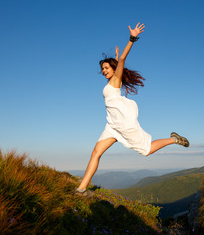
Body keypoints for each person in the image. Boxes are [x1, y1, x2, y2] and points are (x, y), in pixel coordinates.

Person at [74, 23, 189, 196]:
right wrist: (116, 58)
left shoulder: (115, 81)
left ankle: (174, 140)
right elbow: (118, 62)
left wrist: (131, 40)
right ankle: (81, 189)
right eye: (102, 69)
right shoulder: (110, 83)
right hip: (112, 125)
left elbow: (121, 61)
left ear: (114, 70)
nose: (103, 71)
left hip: (124, 124)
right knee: (95, 153)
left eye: (106, 68)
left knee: (147, 150)